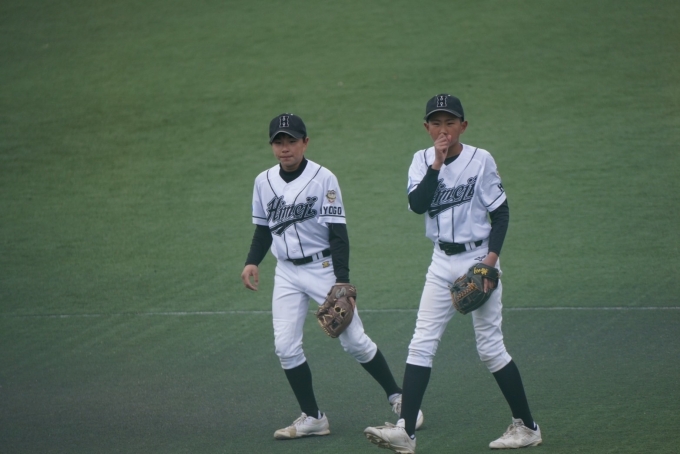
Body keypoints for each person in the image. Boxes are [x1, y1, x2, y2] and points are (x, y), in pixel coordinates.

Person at [363, 95, 542, 453]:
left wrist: (489, 263)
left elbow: (501, 214)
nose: (443, 129)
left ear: (463, 125)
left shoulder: (481, 159)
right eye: (436, 123)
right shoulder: (420, 161)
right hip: (441, 261)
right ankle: (406, 432)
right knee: (421, 342)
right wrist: (437, 164)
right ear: (426, 127)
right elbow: (418, 205)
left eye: (450, 122)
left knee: (490, 348)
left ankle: (527, 427)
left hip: (479, 258)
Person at [241, 113, 423, 440]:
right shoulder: (263, 181)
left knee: (354, 341)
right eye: (278, 142)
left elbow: (338, 234)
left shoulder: (323, 178)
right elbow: (264, 228)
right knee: (285, 347)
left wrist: (342, 280)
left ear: (305, 142)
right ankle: (313, 417)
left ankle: (398, 397)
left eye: (291, 141)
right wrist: (252, 261)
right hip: (286, 273)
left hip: (322, 269)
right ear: (272, 146)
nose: (285, 148)